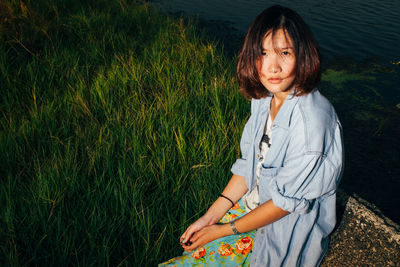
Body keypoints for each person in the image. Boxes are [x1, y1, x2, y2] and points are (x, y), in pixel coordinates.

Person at [159, 5, 344, 267]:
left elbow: (283, 205)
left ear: (302, 56)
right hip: (250, 209)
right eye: (263, 53)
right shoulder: (264, 98)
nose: (273, 67)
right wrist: (210, 218)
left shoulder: (312, 122)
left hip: (279, 231)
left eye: (285, 53)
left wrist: (222, 230)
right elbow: (249, 165)